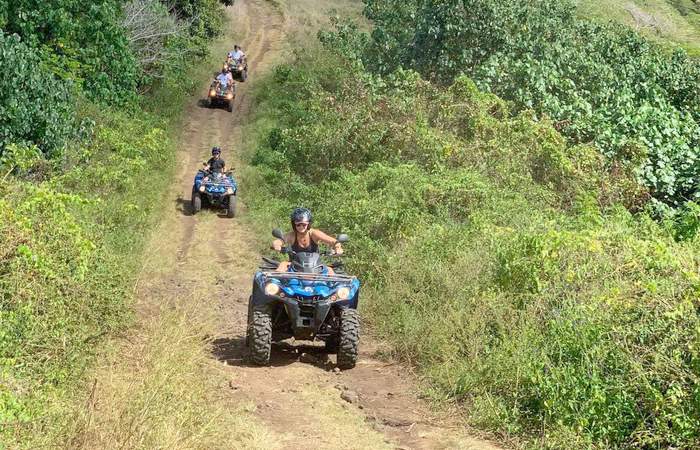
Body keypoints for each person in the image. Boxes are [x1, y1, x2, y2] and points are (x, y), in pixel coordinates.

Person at [272, 207, 343, 272]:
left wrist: (338, 248)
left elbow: (334, 241)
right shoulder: (292, 235)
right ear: (294, 225)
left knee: (330, 269)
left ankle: (335, 285)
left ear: (308, 224)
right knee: (283, 264)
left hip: (316, 266)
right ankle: (274, 284)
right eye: (298, 225)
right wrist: (277, 246)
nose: (301, 227)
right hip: (294, 265)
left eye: (304, 224)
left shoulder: (314, 233)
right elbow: (278, 241)